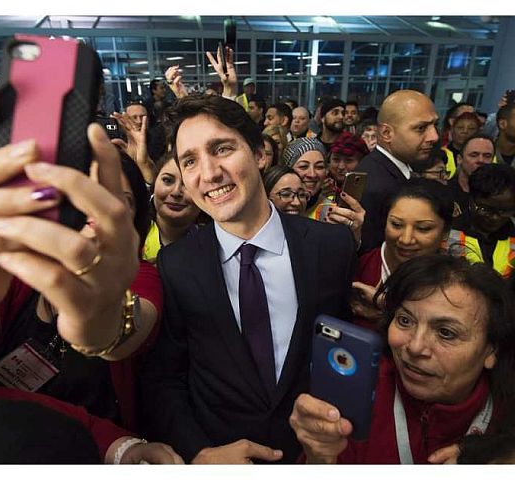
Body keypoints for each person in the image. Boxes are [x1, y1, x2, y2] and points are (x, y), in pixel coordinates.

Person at [0, 74, 181, 464]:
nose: (95, 215)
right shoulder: (14, 266)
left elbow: (124, 335)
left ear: (133, 223)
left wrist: (99, 322)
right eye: (80, 199)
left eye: (118, 203)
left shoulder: (141, 275)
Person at [140, 94, 357, 464]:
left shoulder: (331, 247)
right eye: (190, 160)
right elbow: (165, 380)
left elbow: (343, 356)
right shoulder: (176, 264)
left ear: (260, 154)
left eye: (221, 149)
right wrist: (199, 453)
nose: (208, 174)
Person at [290, 254, 515, 464]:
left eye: (446, 332)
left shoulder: (505, 419)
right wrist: (318, 458)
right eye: (405, 321)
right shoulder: (356, 394)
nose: (415, 347)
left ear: (491, 350)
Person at [351, 179, 454, 329]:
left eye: (423, 228)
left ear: (445, 232)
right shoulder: (358, 265)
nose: (406, 239)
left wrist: (388, 308)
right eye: (397, 225)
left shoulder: (454, 284)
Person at [357, 90, 439, 252]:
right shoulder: (375, 186)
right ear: (387, 133)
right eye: (421, 128)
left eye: (435, 125)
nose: (434, 136)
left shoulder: (395, 168)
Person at [447, 163, 515, 278]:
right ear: (471, 200)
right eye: (485, 209)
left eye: (504, 211)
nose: (495, 217)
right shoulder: (448, 235)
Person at [142, 153, 201, 264]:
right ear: (153, 186)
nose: (176, 192)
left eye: (187, 184)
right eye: (167, 180)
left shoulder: (215, 246)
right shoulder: (130, 235)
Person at [446, 134, 495, 223]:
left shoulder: (498, 197)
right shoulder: (444, 192)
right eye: (474, 155)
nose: (481, 160)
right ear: (459, 159)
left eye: (487, 156)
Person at [442, 112, 481, 178]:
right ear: (452, 130)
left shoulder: (487, 155)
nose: (465, 131)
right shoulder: (440, 154)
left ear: (478, 132)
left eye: (471, 129)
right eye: (460, 128)